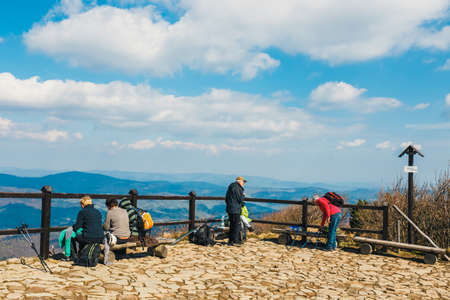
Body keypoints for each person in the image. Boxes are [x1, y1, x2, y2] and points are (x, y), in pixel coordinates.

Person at [225, 176, 246, 246]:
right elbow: (239, 199)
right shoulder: (237, 188)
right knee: (236, 225)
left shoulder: (231, 186)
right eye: (243, 182)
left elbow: (227, 198)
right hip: (235, 209)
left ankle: (231, 241)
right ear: (240, 181)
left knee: (232, 225)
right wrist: (243, 196)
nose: (244, 184)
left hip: (230, 208)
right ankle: (235, 241)